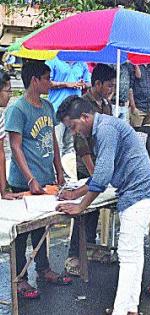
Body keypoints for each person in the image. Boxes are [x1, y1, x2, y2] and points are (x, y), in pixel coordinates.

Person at [55, 96, 150, 315]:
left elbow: (102, 176)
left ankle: (121, 310)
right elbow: (102, 174)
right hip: (139, 192)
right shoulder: (104, 126)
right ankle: (130, 308)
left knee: (127, 254)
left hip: (139, 192)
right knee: (133, 254)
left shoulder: (105, 129)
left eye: (74, 126)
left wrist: (80, 207)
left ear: (85, 117)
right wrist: (75, 193)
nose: (74, 132)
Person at [5, 61, 72, 299]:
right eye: (46, 78)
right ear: (34, 80)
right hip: (24, 181)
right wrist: (30, 178)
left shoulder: (47, 107)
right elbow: (16, 146)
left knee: (43, 227)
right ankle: (20, 278)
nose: (50, 83)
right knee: (22, 232)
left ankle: (43, 268)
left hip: (46, 178)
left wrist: (59, 169)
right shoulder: (18, 109)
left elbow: (52, 139)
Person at [64, 64, 116, 276]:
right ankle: (74, 254)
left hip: (101, 163)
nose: (111, 89)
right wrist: (94, 172)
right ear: (97, 84)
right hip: (86, 164)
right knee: (83, 210)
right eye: (109, 85)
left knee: (95, 208)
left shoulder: (106, 104)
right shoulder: (83, 104)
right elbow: (81, 141)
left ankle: (89, 248)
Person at [46, 57, 91, 155]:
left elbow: (89, 82)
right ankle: (55, 169)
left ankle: (66, 169)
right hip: (56, 108)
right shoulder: (53, 60)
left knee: (71, 145)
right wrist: (66, 84)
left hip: (75, 110)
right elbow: (47, 82)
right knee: (55, 143)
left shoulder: (82, 63)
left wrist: (83, 84)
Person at [0, 70, 23, 200]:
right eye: (8, 91)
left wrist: (3, 191)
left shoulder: (0, 116)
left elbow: (1, 153)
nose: (10, 95)